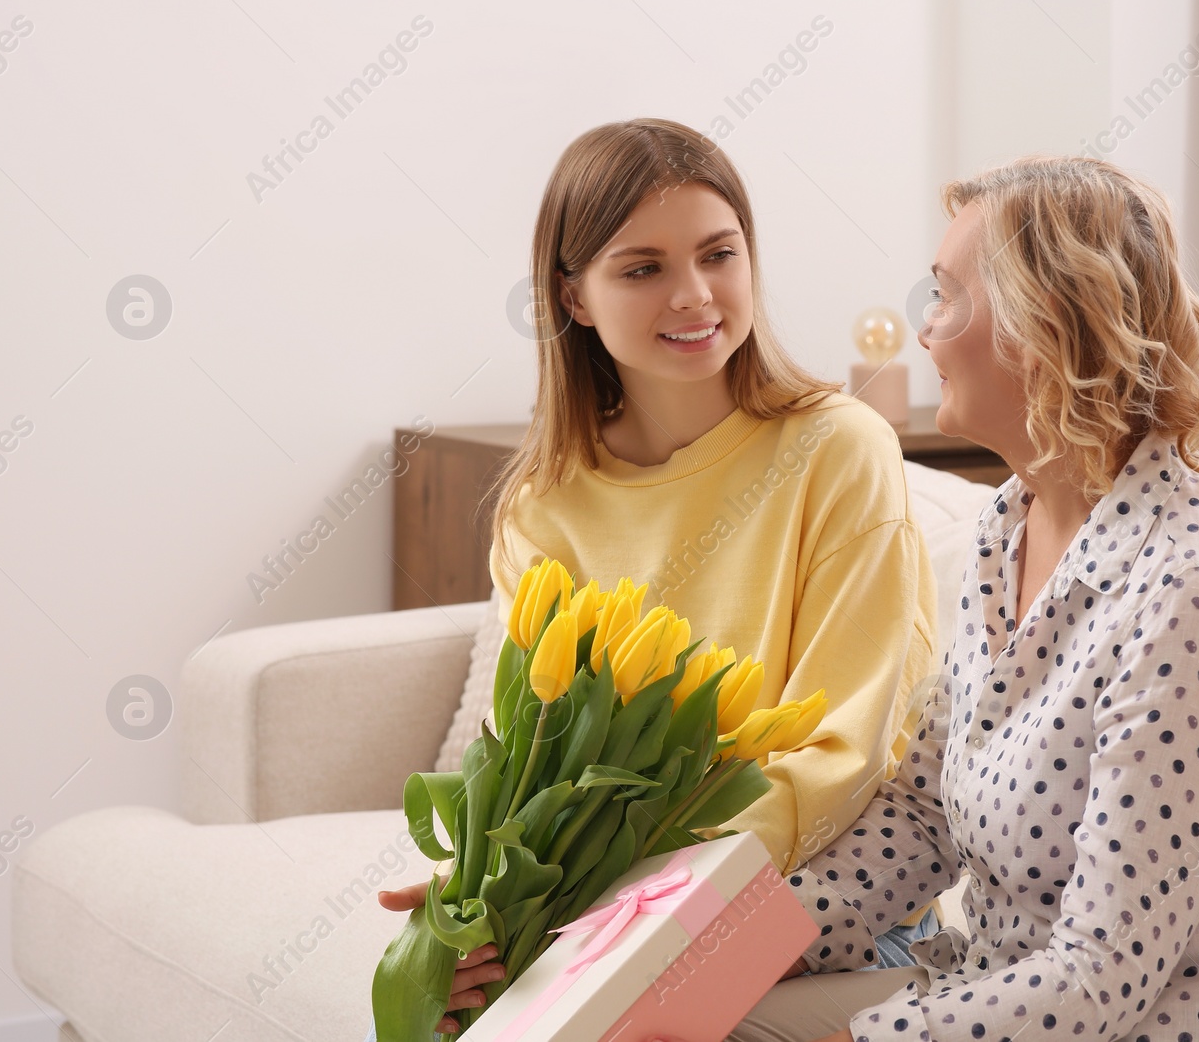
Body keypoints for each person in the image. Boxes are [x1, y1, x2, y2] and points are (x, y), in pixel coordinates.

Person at [727, 155, 1199, 1042]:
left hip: (1183, 1022)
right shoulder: (1009, 529)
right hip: (1003, 990)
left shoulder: (1192, 591)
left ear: (1045, 327)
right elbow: (921, 819)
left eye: (947, 297)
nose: (925, 332)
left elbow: (1098, 980)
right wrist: (719, 952)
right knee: (695, 1011)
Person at [368, 119, 940, 1039]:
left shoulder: (837, 449)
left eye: (720, 254)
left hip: (811, 886)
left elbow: (842, 748)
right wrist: (478, 893)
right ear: (574, 296)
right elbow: (528, 758)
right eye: (642, 269)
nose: (695, 294)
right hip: (619, 900)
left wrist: (636, 898)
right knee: (427, 1013)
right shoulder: (544, 505)